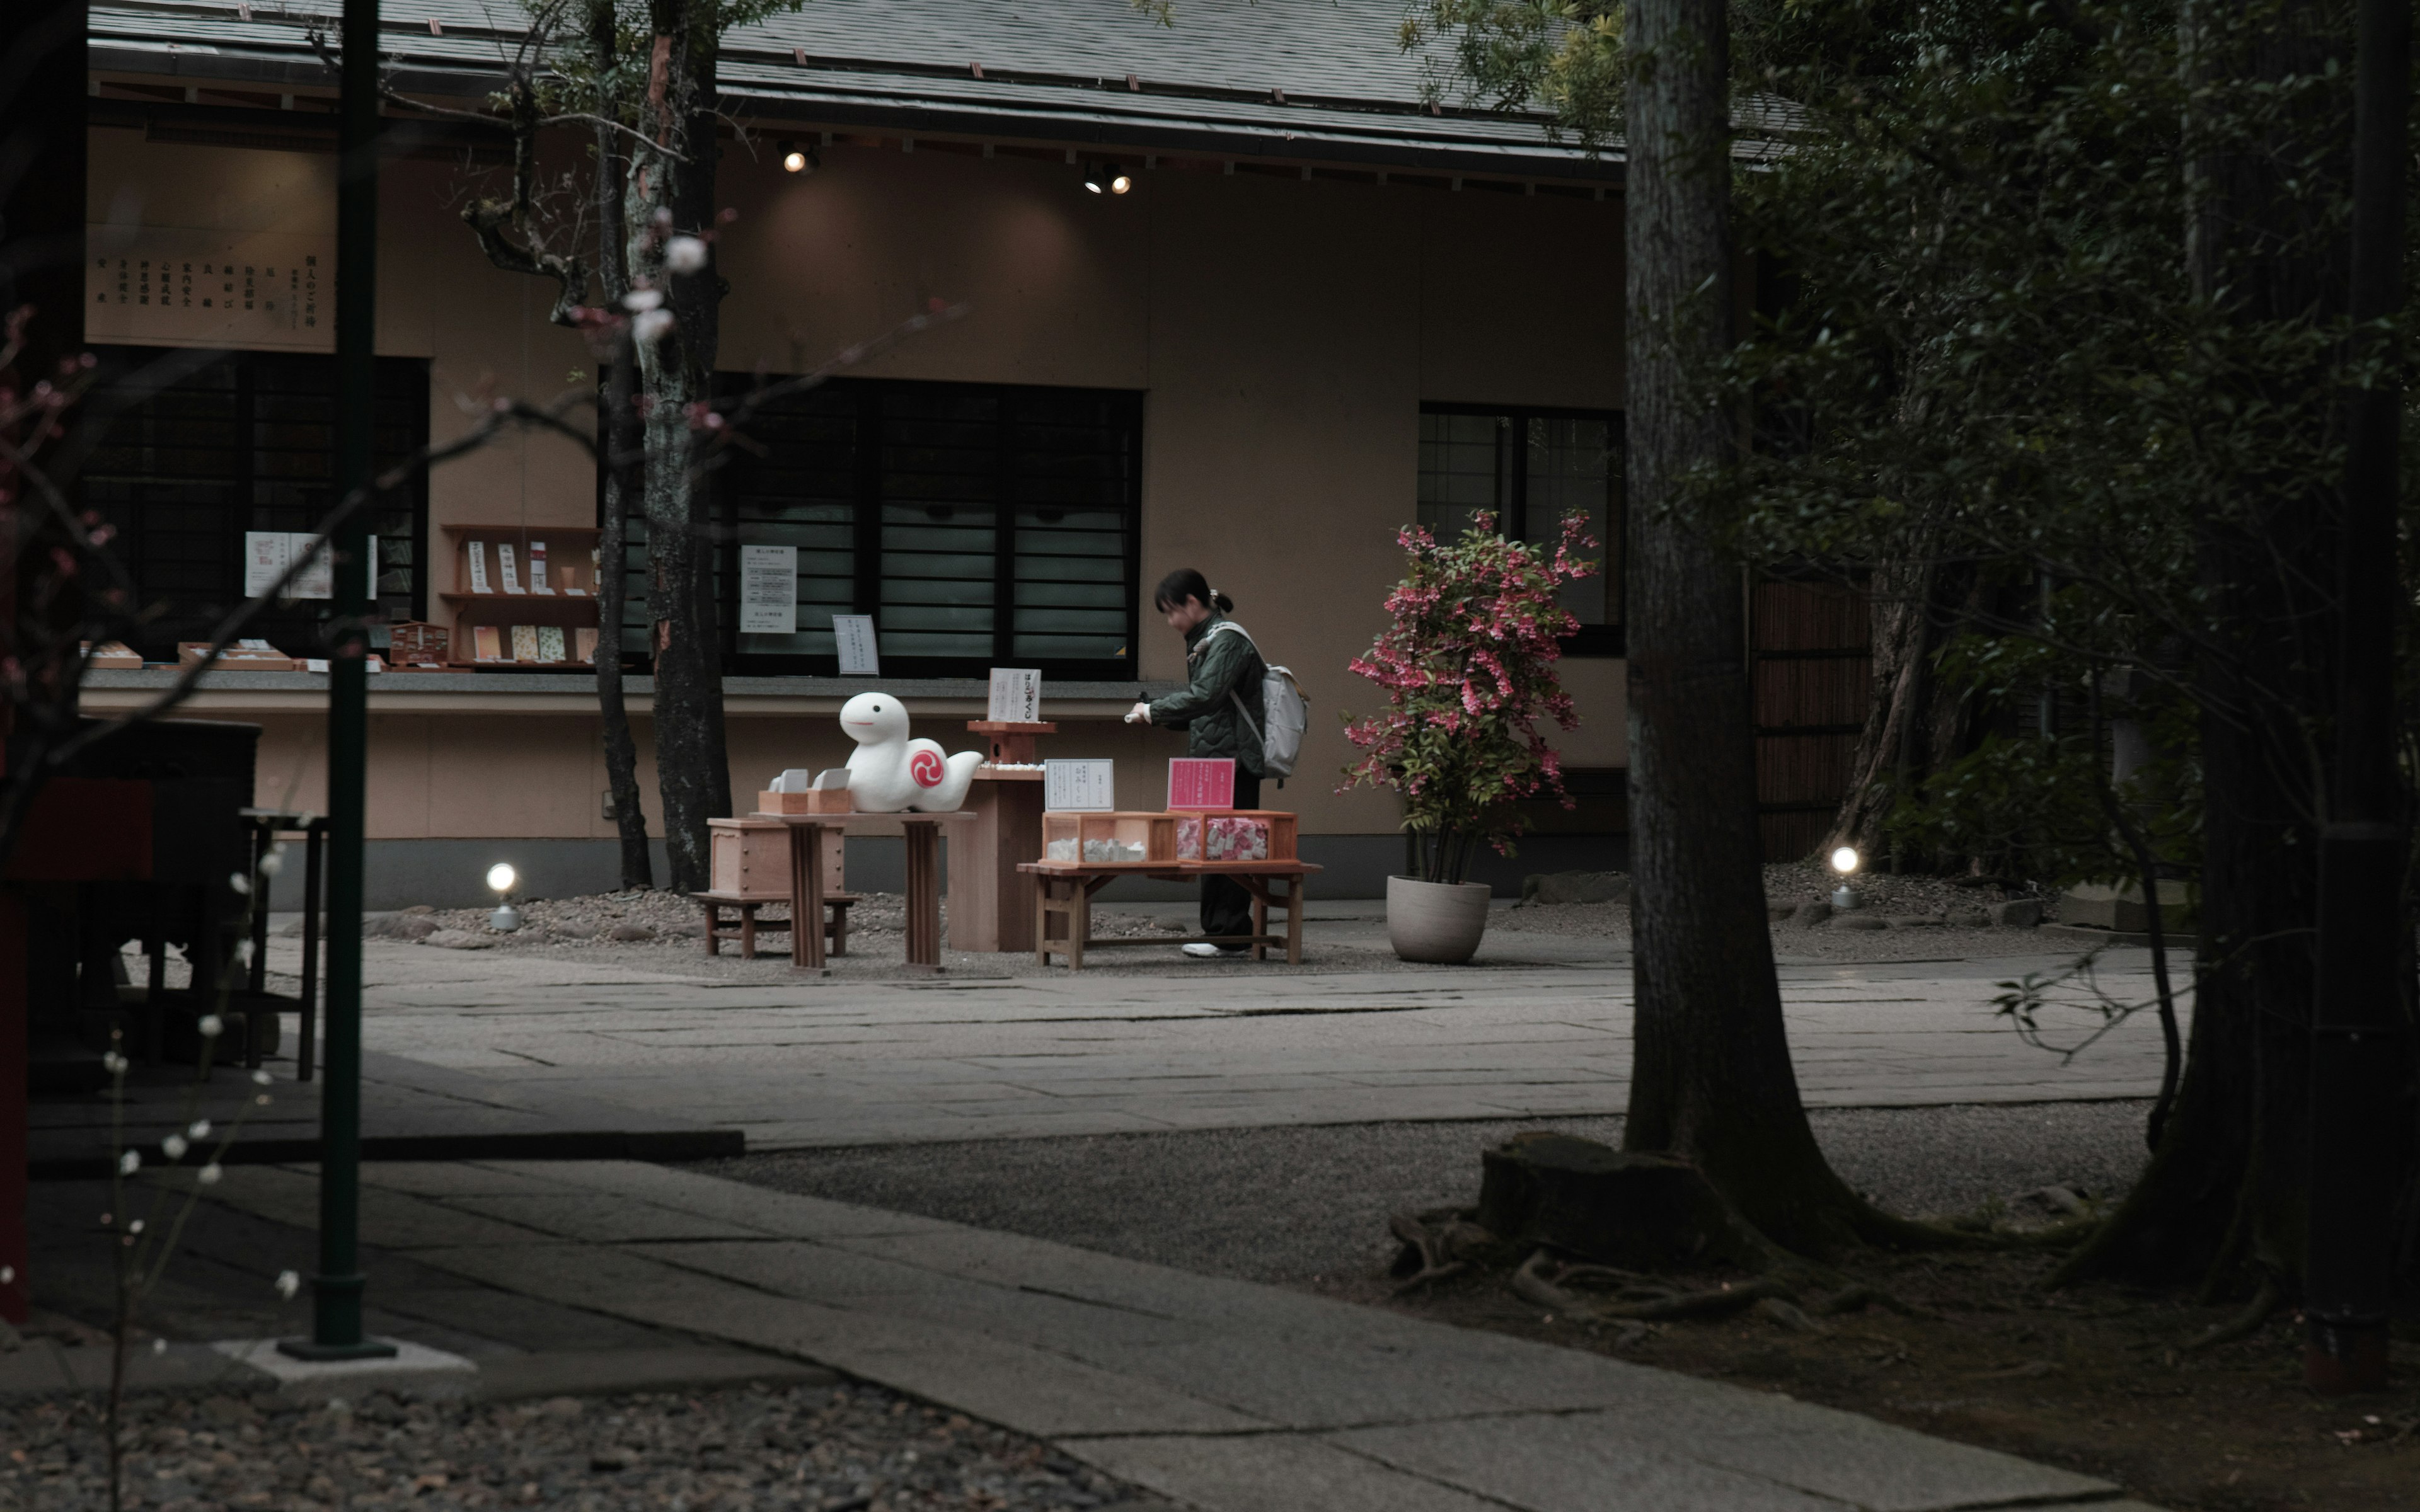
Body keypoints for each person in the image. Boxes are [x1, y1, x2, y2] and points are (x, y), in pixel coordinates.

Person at [1126, 568, 1266, 958]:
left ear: (1192, 602)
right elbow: (1206, 706)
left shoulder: (1227, 640)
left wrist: (1155, 711)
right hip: (1217, 759)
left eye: (1172, 612)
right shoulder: (1209, 639)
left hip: (1234, 761)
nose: (1171, 622)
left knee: (1229, 847)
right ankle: (1223, 933)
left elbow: (1205, 696)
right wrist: (1157, 714)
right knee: (1215, 845)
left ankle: (1230, 935)